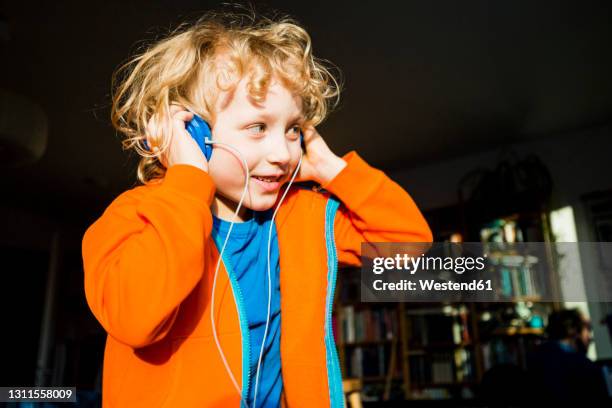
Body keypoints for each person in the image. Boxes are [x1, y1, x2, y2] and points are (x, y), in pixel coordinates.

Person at [81, 8, 432, 408]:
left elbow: (411, 255)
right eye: (258, 127)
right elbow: (136, 318)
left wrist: (331, 168)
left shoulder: (302, 216)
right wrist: (187, 181)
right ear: (192, 132)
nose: (282, 152)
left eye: (293, 130)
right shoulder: (138, 216)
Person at [527, 308, 609, 405]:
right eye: (588, 328)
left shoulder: (534, 359)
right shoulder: (584, 367)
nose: (590, 337)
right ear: (573, 330)